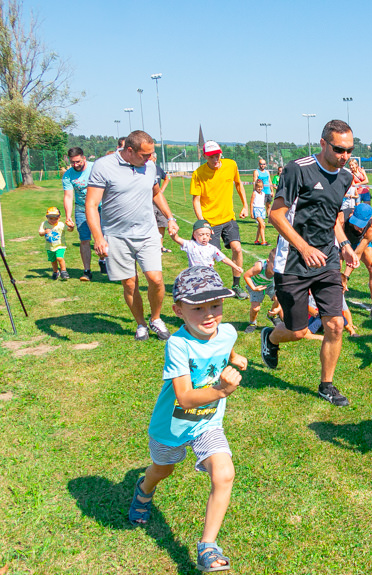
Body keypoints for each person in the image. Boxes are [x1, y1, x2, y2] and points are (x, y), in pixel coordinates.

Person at [127, 266, 247, 573]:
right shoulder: (178, 344)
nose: (209, 316)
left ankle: (208, 545)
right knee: (163, 469)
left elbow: (225, 344)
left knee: (224, 474)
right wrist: (221, 390)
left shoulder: (228, 331)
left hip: (207, 424)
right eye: (198, 309)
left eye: (216, 306)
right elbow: (184, 397)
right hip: (170, 426)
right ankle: (144, 489)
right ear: (178, 310)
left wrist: (234, 359)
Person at [261, 119, 359, 407]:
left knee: (335, 324)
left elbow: (334, 220)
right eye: (340, 149)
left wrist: (343, 246)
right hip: (292, 261)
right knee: (298, 330)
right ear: (323, 144)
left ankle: (326, 385)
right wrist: (303, 248)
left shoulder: (345, 178)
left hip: (327, 260)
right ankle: (272, 337)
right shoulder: (297, 170)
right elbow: (276, 215)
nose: (345, 156)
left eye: (350, 150)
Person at [86, 130, 179, 342]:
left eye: (151, 154)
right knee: (129, 283)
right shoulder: (103, 166)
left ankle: (155, 319)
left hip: (147, 233)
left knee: (155, 279)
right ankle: (141, 324)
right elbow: (91, 204)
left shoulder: (149, 166)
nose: (150, 159)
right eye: (145, 155)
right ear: (129, 150)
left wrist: (170, 217)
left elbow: (156, 193)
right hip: (117, 236)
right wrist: (99, 238)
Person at [190, 140, 249, 299]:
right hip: (210, 222)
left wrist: (245, 205)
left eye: (217, 156)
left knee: (237, 248)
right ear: (204, 157)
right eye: (211, 157)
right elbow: (196, 200)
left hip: (228, 218)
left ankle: (236, 286)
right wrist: (202, 223)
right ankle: (208, 287)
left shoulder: (231, 165)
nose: (216, 160)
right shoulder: (198, 173)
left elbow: (239, 184)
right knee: (208, 257)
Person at [338, 203, 372, 321]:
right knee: (335, 270)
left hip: (358, 243)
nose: (358, 227)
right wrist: (340, 276)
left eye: (361, 225)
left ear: (369, 219)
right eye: (355, 222)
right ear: (351, 214)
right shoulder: (341, 219)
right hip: (340, 242)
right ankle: (333, 304)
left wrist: (346, 276)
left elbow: (357, 253)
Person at [61, 147, 96, 281]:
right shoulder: (68, 175)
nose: (75, 165)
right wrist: (68, 216)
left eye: (78, 162)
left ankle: (104, 261)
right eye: (72, 162)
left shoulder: (95, 168)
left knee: (106, 236)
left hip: (100, 207)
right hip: (82, 209)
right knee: (85, 239)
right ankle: (87, 271)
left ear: (84, 158)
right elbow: (68, 196)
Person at [170, 220, 244, 275]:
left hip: (209, 275)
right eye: (201, 235)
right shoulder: (190, 244)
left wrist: (235, 267)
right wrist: (173, 234)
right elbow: (177, 239)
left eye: (207, 235)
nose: (204, 237)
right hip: (194, 275)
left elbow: (224, 259)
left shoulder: (213, 248)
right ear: (194, 235)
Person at [243, 248, 282, 334]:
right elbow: (246, 275)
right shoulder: (259, 267)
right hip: (256, 285)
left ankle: (272, 315)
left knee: (278, 298)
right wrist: (254, 288)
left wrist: (278, 308)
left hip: (270, 285)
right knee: (255, 308)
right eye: (274, 265)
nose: (277, 268)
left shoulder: (280, 271)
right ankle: (252, 323)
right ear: (268, 262)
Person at [39, 206, 70, 280]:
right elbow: (40, 233)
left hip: (60, 245)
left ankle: (63, 271)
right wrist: (44, 232)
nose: (53, 220)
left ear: (59, 217)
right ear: (47, 217)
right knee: (53, 261)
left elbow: (69, 229)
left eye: (55, 219)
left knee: (59, 258)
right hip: (49, 246)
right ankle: (55, 272)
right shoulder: (44, 224)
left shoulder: (61, 224)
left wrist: (71, 226)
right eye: (51, 219)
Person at [250, 178, 268, 245]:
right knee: (263, 225)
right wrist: (251, 213)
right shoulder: (254, 193)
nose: (259, 189)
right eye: (258, 187)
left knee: (260, 226)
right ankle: (263, 241)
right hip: (256, 209)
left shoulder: (263, 193)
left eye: (261, 187)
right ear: (255, 187)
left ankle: (256, 240)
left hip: (262, 209)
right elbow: (251, 203)